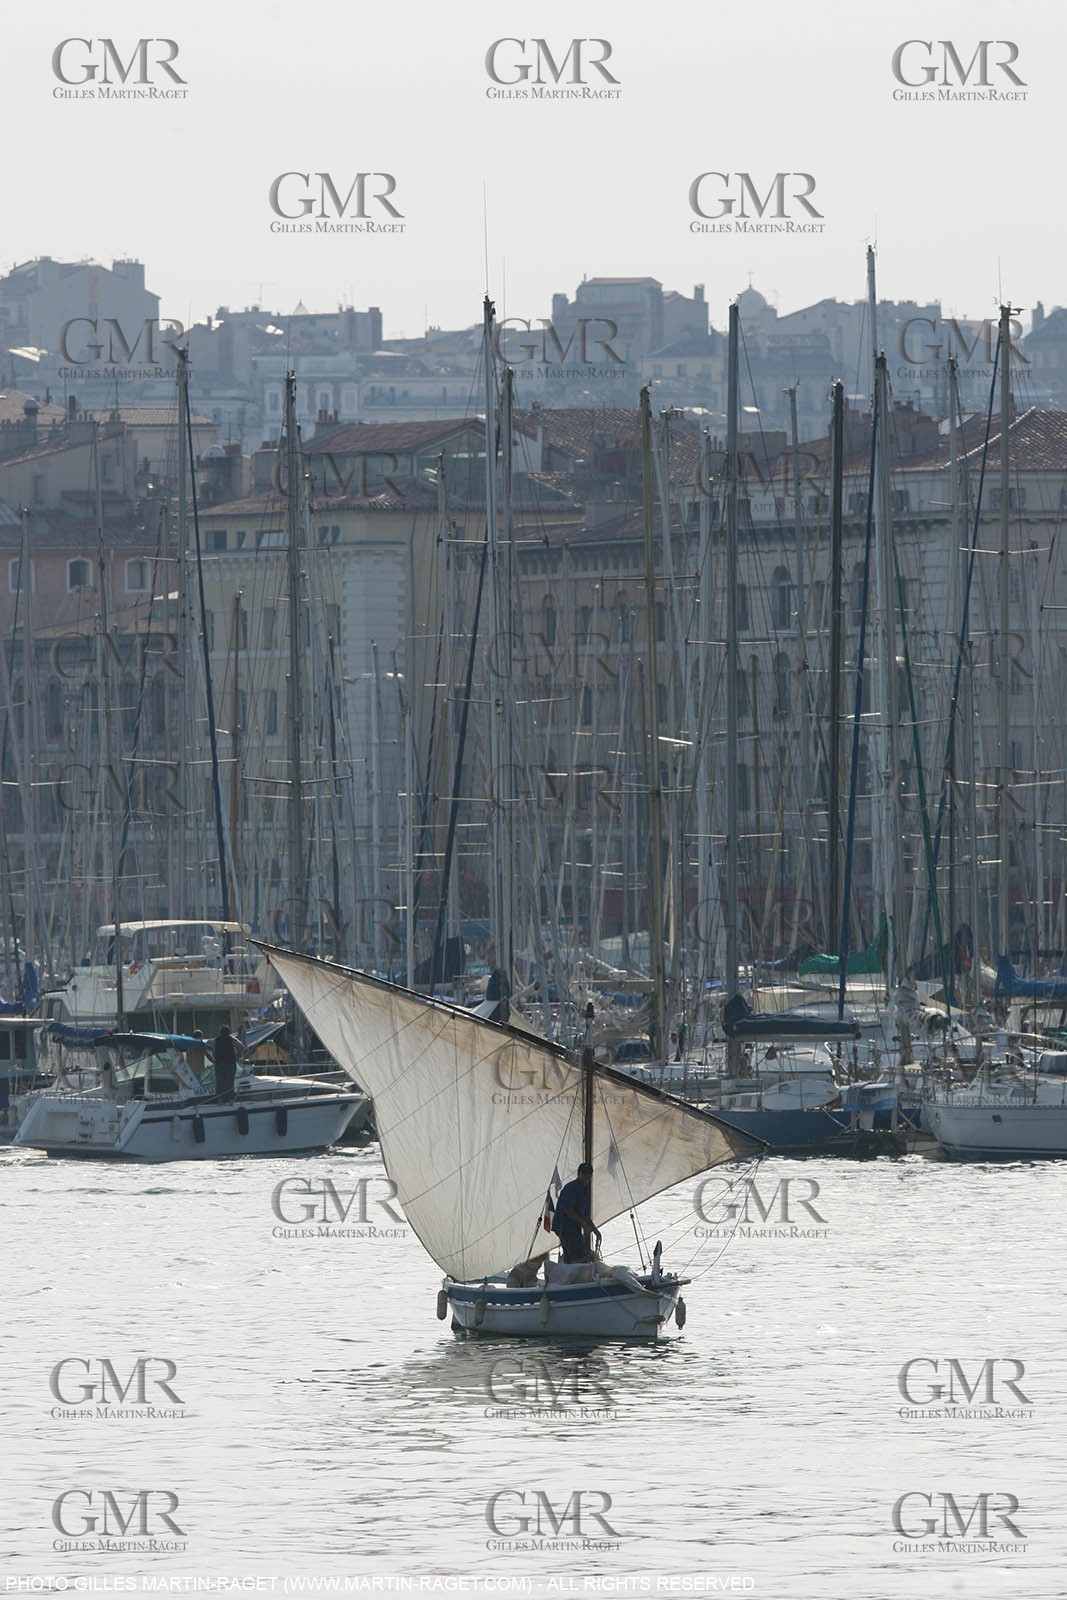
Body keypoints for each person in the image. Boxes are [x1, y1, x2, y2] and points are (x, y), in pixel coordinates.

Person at [552, 1162, 602, 1263]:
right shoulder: (571, 1188)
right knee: (578, 1256)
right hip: (564, 1226)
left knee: (580, 1252)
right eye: (584, 1173)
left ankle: (574, 1269)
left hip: (575, 1227)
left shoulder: (585, 1191)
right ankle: (573, 1272)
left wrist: (596, 1231)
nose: (586, 1177)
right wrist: (583, 1224)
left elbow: (586, 1216)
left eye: (589, 1174)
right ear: (579, 1174)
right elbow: (568, 1210)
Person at [213, 1023, 238, 1101]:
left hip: (219, 1063)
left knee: (220, 1082)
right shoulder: (231, 1038)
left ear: (220, 1032)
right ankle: (230, 1099)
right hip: (230, 1063)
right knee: (229, 1082)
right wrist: (238, 1056)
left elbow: (213, 1051)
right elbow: (241, 1046)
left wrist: (216, 1058)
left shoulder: (216, 1040)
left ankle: (220, 1099)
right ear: (229, 1032)